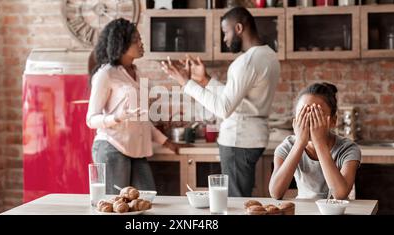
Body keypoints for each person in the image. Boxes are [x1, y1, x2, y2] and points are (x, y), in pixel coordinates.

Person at [161, 7, 280, 197]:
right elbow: (236, 98)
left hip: (238, 141)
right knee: (240, 197)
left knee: (235, 201)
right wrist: (205, 80)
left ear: (239, 28)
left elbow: (223, 108)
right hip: (253, 138)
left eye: (226, 32)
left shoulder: (246, 62)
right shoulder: (269, 55)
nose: (224, 39)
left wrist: (186, 83)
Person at [86, 18, 180, 194]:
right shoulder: (106, 74)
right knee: (116, 207)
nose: (141, 43)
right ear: (121, 43)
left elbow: (142, 119)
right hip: (112, 147)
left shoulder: (138, 74)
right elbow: (91, 119)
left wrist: (166, 142)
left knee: (147, 200)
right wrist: (117, 117)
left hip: (137, 151)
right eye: (136, 39)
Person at [269, 83, 361, 200]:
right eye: (304, 114)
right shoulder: (287, 146)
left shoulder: (348, 149)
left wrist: (319, 143)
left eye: (317, 115)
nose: (310, 121)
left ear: (333, 121)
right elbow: (276, 193)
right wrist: (300, 143)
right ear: (295, 121)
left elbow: (340, 194)